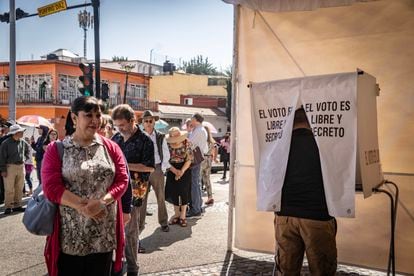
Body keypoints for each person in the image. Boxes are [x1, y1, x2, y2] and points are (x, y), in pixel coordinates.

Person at [41, 96, 129, 276]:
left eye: (98, 115)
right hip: (71, 236)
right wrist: (84, 206)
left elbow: (122, 180)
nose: (95, 120)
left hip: (104, 234)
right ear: (74, 118)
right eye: (88, 115)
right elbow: (51, 188)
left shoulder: (111, 148)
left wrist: (102, 202)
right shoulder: (56, 149)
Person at [274, 108, 337, 275]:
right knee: (322, 270)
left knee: (287, 270)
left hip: (285, 215)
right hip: (317, 214)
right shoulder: (325, 144)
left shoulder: (278, 144)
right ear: (312, 121)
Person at [111, 104, 155, 276]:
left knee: (131, 232)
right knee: (113, 230)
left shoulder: (145, 140)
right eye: (117, 126)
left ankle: (132, 268)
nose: (120, 129)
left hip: (135, 192)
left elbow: (150, 167)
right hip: (114, 192)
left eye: (122, 125)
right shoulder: (116, 138)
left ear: (132, 121)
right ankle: (116, 265)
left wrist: (123, 166)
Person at [138, 110, 171, 233]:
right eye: (146, 121)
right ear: (142, 123)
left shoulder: (160, 136)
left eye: (150, 121)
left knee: (160, 197)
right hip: (143, 170)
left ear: (154, 122)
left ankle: (163, 222)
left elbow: (166, 152)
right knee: (141, 199)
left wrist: (162, 169)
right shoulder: (139, 136)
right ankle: (139, 224)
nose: (148, 123)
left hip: (157, 168)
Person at [165, 127, 193, 227]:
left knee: (184, 192)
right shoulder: (167, 145)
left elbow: (189, 159)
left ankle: (183, 216)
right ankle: (176, 214)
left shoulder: (186, 143)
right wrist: (175, 171)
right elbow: (165, 160)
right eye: (174, 137)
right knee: (174, 192)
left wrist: (181, 171)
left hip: (184, 169)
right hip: (171, 169)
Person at [0, 124, 30, 215]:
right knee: (9, 188)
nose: (22, 133)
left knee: (19, 187)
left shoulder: (23, 142)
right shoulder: (5, 143)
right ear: (15, 133)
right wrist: (3, 169)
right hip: (10, 167)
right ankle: (8, 207)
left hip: (21, 166)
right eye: (21, 132)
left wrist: (25, 158)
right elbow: (1, 157)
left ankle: (17, 206)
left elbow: (28, 150)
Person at [187, 113, 208, 217]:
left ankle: (195, 209)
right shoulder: (201, 129)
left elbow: (189, 142)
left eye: (192, 119)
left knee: (194, 184)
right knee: (197, 183)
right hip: (198, 157)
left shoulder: (198, 130)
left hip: (195, 157)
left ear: (196, 120)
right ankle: (198, 206)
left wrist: (188, 133)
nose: (191, 121)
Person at [201, 126, 218, 205]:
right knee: (207, 179)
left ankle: (198, 199)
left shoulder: (202, 140)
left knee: (198, 179)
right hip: (209, 160)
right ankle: (210, 197)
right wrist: (214, 158)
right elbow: (215, 148)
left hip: (202, 159)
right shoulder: (212, 141)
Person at [0, 121, 12, 204]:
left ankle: (3, 198)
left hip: (6, 163)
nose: (3, 128)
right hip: (3, 162)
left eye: (5, 127)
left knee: (5, 182)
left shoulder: (7, 138)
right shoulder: (3, 137)